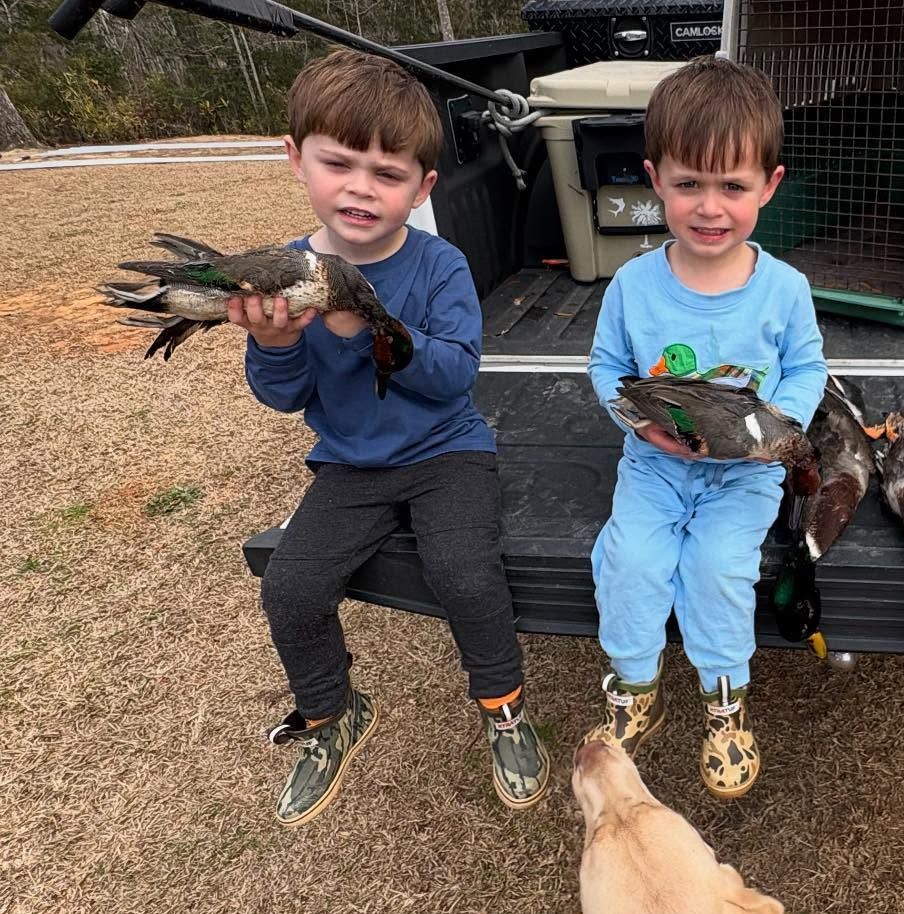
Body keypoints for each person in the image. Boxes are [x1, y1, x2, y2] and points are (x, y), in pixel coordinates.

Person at [236, 48, 549, 826]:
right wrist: (274, 344)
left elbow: (453, 376)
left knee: (464, 573)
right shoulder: (283, 270)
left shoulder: (440, 265)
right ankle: (333, 709)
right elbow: (285, 396)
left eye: (388, 173)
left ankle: (504, 710)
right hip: (349, 464)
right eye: (337, 163)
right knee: (290, 587)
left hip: (449, 451)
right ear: (295, 158)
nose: (360, 188)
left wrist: (366, 319)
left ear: (423, 187)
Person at [585, 55, 828, 799]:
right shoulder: (632, 285)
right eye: (689, 184)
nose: (709, 206)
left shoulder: (784, 289)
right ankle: (635, 684)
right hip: (656, 464)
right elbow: (606, 367)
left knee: (719, 568)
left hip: (742, 475)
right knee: (628, 558)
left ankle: (726, 704)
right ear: (655, 179)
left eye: (733, 186)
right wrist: (639, 424)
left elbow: (808, 368)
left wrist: (775, 432)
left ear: (769, 186)